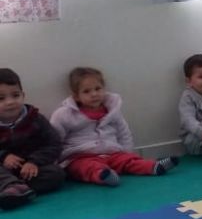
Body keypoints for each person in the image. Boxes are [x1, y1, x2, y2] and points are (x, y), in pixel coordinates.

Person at [50, 67, 178, 186]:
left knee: (128, 161)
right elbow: (54, 139)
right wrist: (54, 162)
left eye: (98, 89)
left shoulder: (112, 110)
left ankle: (153, 167)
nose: (94, 94)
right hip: (80, 157)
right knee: (85, 168)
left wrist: (127, 152)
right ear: (76, 96)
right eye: (86, 91)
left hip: (112, 153)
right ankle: (103, 176)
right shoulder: (64, 114)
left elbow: (123, 132)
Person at [0, 68, 65, 209]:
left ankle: (15, 190)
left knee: (56, 174)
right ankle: (12, 187)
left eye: (15, 95)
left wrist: (34, 161)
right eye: (1, 98)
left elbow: (54, 144)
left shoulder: (36, 119)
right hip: (4, 171)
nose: (10, 102)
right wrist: (4, 156)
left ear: (23, 95)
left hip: (29, 170)